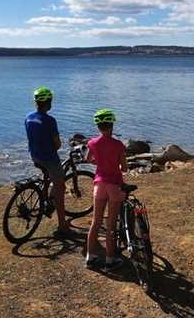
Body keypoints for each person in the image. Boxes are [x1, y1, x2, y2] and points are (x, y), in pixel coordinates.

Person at [24, 86, 71, 237]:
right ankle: (62, 225)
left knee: (48, 176)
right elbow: (57, 144)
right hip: (49, 158)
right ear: (48, 102)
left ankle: (45, 199)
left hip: (35, 156)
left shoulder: (28, 117)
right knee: (60, 187)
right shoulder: (50, 120)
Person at [85, 108, 128, 270]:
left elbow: (88, 159)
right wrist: (115, 165)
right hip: (114, 185)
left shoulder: (93, 143)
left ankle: (90, 257)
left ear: (98, 127)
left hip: (99, 184)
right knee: (111, 224)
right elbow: (123, 168)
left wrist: (100, 164)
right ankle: (110, 260)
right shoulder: (118, 145)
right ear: (112, 125)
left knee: (96, 222)